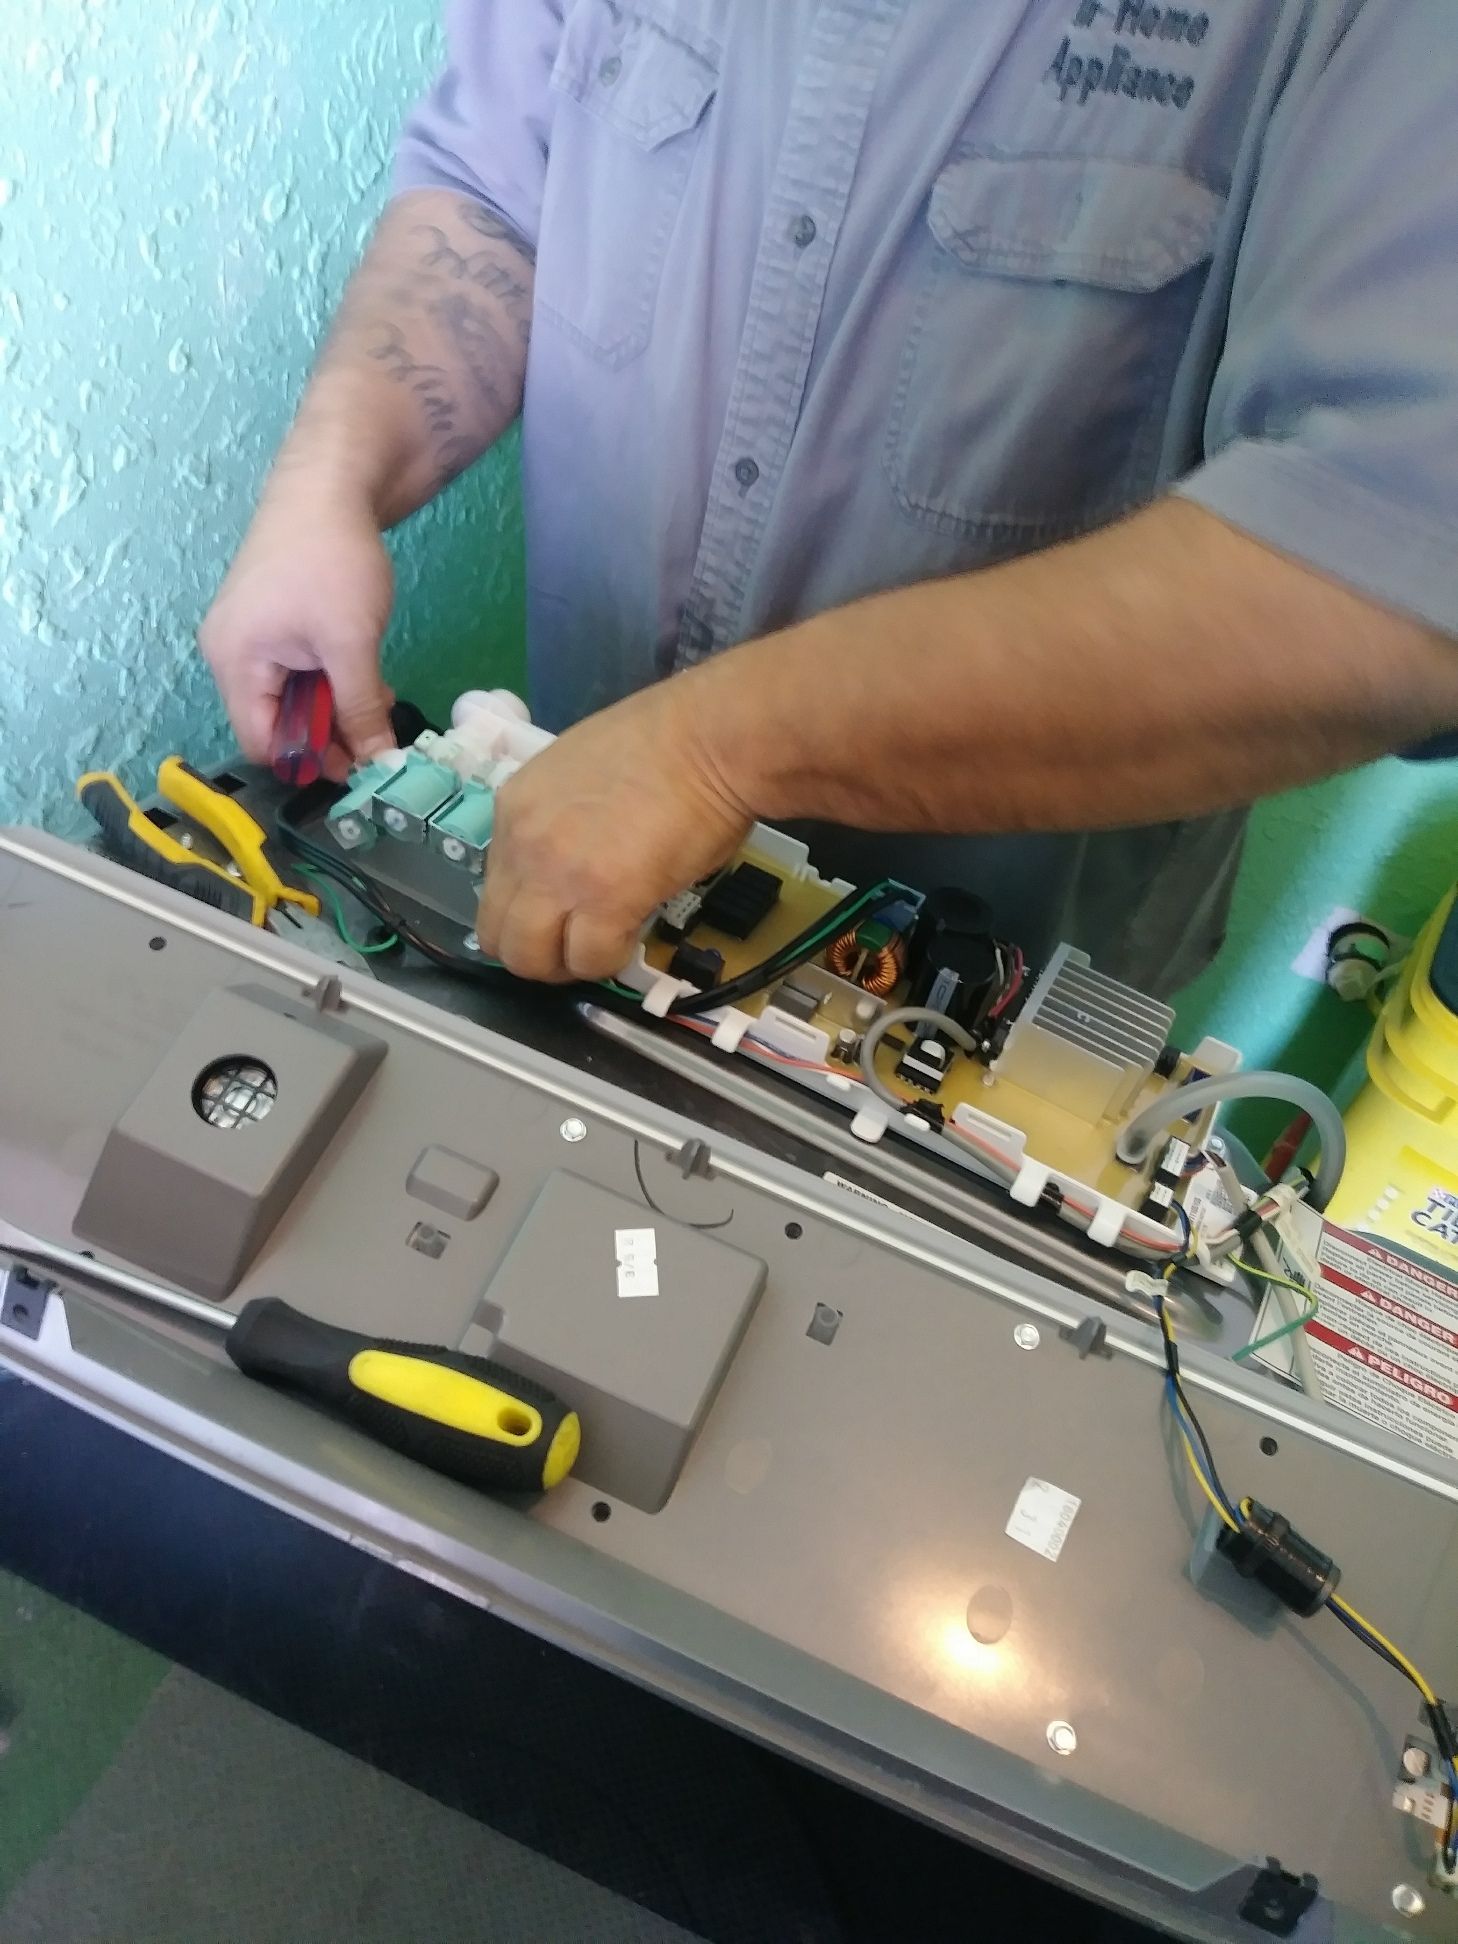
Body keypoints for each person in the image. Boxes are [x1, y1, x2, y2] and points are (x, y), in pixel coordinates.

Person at [200, 2, 1458, 995]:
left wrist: (708, 754)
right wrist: (329, 481)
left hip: (976, 1001)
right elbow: (492, 192)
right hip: (567, 856)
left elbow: (1391, 588)